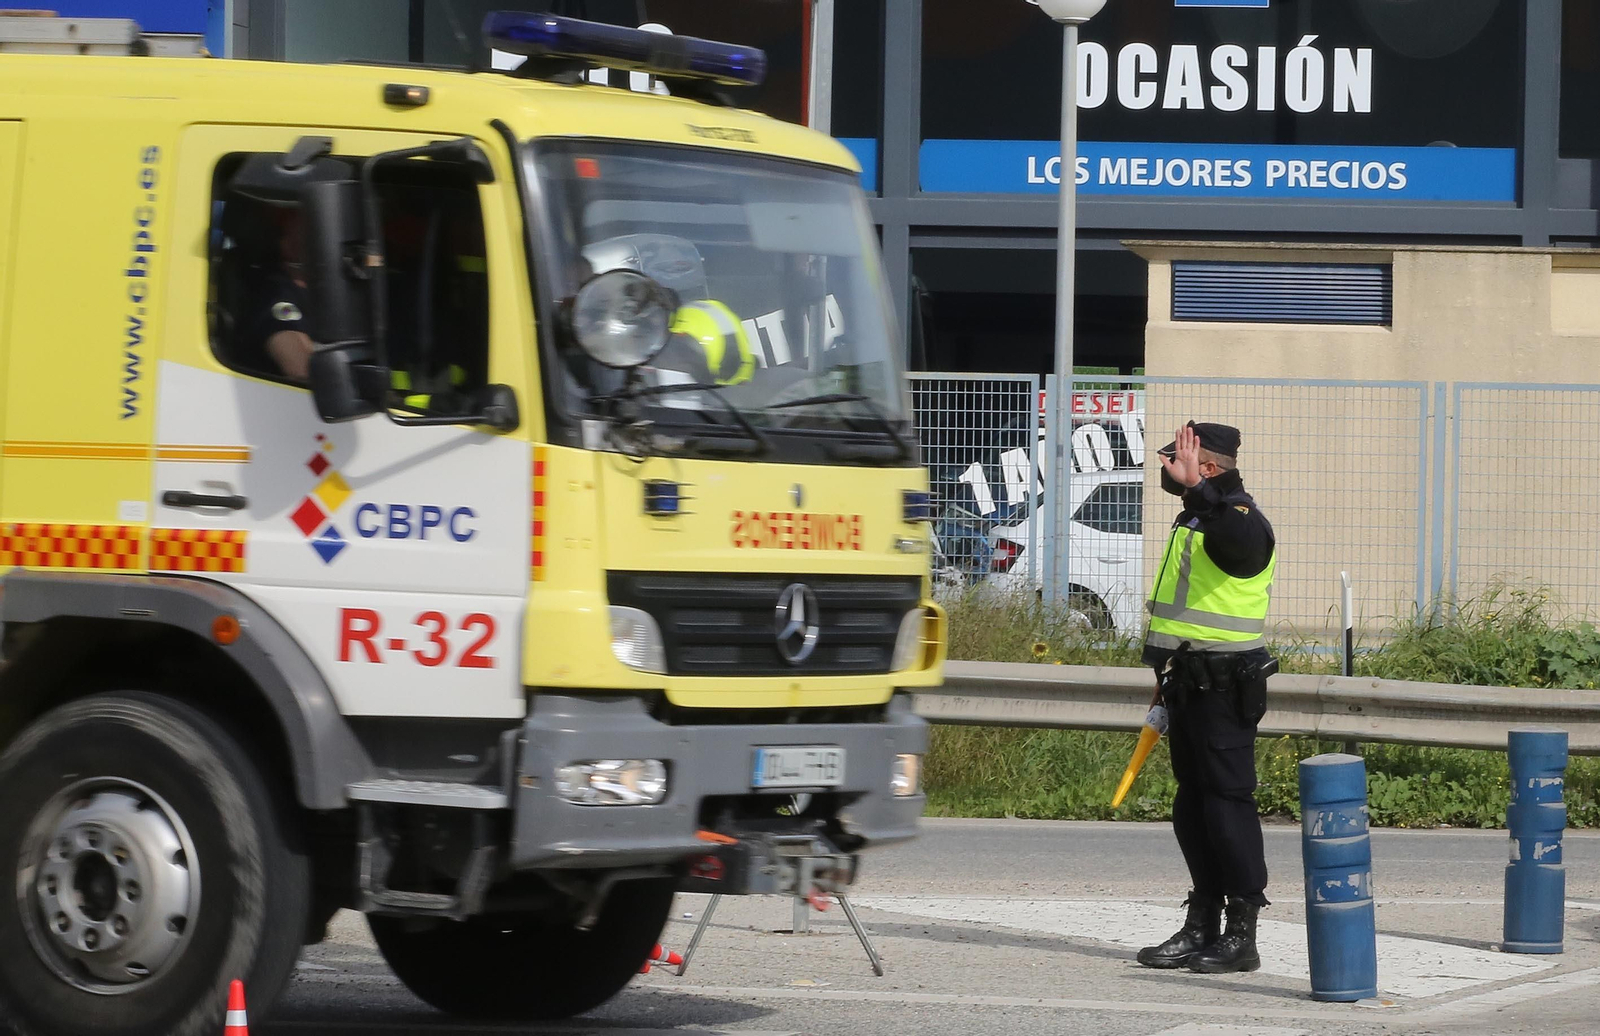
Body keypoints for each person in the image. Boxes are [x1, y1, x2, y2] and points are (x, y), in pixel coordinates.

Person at [1136, 421, 1278, 975]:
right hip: (1187, 683)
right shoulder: (1196, 517)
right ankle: (1203, 923)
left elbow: (1239, 547)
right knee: (1192, 808)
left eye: (1177, 464)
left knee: (1226, 807)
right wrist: (1161, 674)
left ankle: (1243, 934)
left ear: (1208, 468)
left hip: (1225, 688)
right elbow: (1181, 613)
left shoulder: (1239, 519)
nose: (1166, 471)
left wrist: (1199, 490)